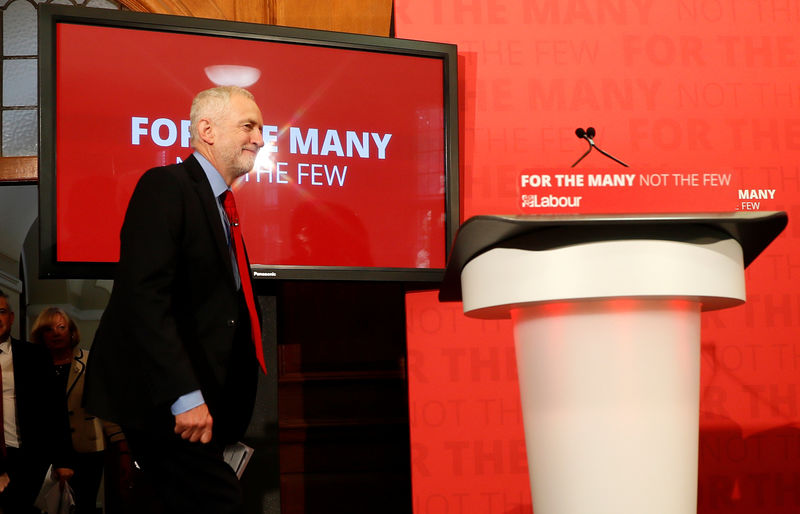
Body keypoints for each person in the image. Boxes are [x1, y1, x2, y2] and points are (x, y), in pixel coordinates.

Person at [84, 85, 267, 514]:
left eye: (260, 128)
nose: (259, 138)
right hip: (166, 403)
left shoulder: (222, 205)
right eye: (248, 126)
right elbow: (143, 298)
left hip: (203, 406)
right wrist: (184, 396)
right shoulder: (166, 186)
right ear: (207, 130)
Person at [30, 307, 127, 514]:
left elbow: (106, 404)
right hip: (45, 449)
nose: (55, 333)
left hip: (86, 448)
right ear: (40, 335)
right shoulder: (32, 366)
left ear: (72, 332)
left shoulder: (89, 361)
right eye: (48, 329)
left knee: (83, 505)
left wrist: (121, 443)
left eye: (61, 327)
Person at [0, 290, 73, 513]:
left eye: (1, 311)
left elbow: (55, 408)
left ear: (11, 317)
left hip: (28, 457)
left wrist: (63, 460)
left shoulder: (35, 355)